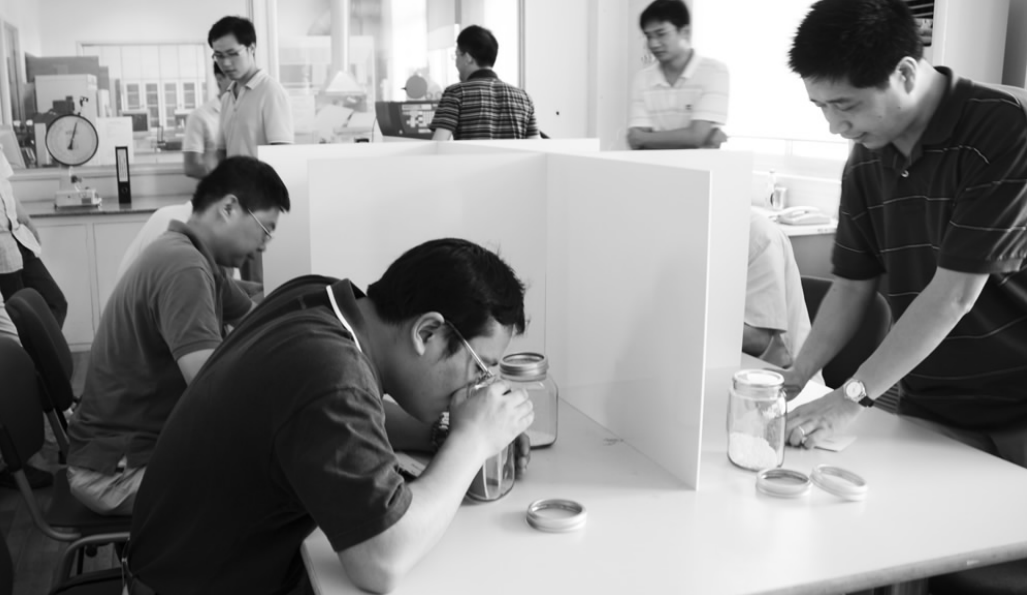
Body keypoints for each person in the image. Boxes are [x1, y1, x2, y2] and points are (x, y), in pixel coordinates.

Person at [124, 239, 534, 595]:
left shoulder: (320, 299)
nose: (478, 385)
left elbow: (351, 415)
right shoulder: (330, 369)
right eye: (480, 367)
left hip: (176, 563)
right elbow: (381, 561)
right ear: (427, 332)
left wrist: (447, 429)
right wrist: (472, 441)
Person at [783, 0, 1027, 469]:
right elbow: (852, 287)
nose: (835, 126)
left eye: (846, 105)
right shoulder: (866, 155)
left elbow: (954, 295)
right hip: (934, 398)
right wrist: (798, 374)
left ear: (906, 74)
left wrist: (849, 398)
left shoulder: (1005, 126)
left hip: (1020, 398)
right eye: (821, 107)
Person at [65, 156, 289, 515]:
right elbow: (211, 386)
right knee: (277, 486)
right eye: (265, 229)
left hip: (130, 453)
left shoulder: (193, 255)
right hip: (116, 472)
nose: (264, 245)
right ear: (229, 208)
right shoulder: (183, 266)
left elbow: (258, 318)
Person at [210, 15, 294, 285]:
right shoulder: (228, 96)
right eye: (218, 55)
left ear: (251, 48)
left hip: (258, 208)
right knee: (239, 283)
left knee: (261, 285)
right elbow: (222, 154)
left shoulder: (271, 92)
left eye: (232, 54)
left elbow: (282, 157)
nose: (225, 63)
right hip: (234, 206)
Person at [627, 0, 729, 150]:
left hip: (700, 165)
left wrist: (647, 138)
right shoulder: (642, 79)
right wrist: (699, 137)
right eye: (648, 36)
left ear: (685, 32)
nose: (653, 44)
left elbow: (695, 137)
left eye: (661, 34)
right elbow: (636, 142)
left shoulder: (714, 72)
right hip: (653, 165)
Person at [430, 25, 539, 141]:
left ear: (468, 58)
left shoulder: (456, 93)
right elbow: (536, 146)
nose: (456, 62)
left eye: (457, 55)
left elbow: (438, 144)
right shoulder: (524, 98)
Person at [0, 148, 67, 328]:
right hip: (2, 251)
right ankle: (29, 346)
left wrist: (26, 220)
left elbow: (4, 186)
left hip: (18, 238)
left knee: (55, 302)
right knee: (19, 319)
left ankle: (44, 346)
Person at [744, 212, 813, 369]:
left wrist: (693, 329)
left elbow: (758, 339)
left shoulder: (760, 235)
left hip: (784, 374)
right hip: (728, 364)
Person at [183, 61, 232, 180]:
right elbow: (191, 167)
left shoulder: (249, 112)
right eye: (234, 76)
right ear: (219, 78)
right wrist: (230, 180)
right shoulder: (200, 116)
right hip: (219, 188)